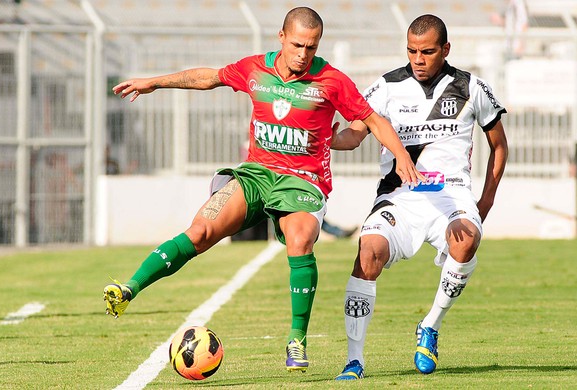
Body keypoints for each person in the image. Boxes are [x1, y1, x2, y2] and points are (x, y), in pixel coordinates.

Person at [103, 6, 421, 373]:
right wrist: (154, 82)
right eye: (298, 45)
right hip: (256, 174)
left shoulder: (332, 81)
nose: (304, 55)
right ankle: (128, 289)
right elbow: (208, 77)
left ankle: (296, 340)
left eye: (312, 47)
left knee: (300, 240)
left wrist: (400, 155)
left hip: (304, 182)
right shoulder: (255, 68)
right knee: (201, 231)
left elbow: (372, 120)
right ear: (282, 38)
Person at [331, 14, 508, 379]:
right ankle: (355, 360)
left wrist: (485, 202)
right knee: (368, 252)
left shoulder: (471, 87)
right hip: (399, 197)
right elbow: (354, 134)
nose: (418, 59)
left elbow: (499, 145)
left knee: (467, 240)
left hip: (451, 196)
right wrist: (331, 138)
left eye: (427, 51)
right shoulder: (387, 86)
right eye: (411, 51)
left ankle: (430, 325)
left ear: (445, 49)